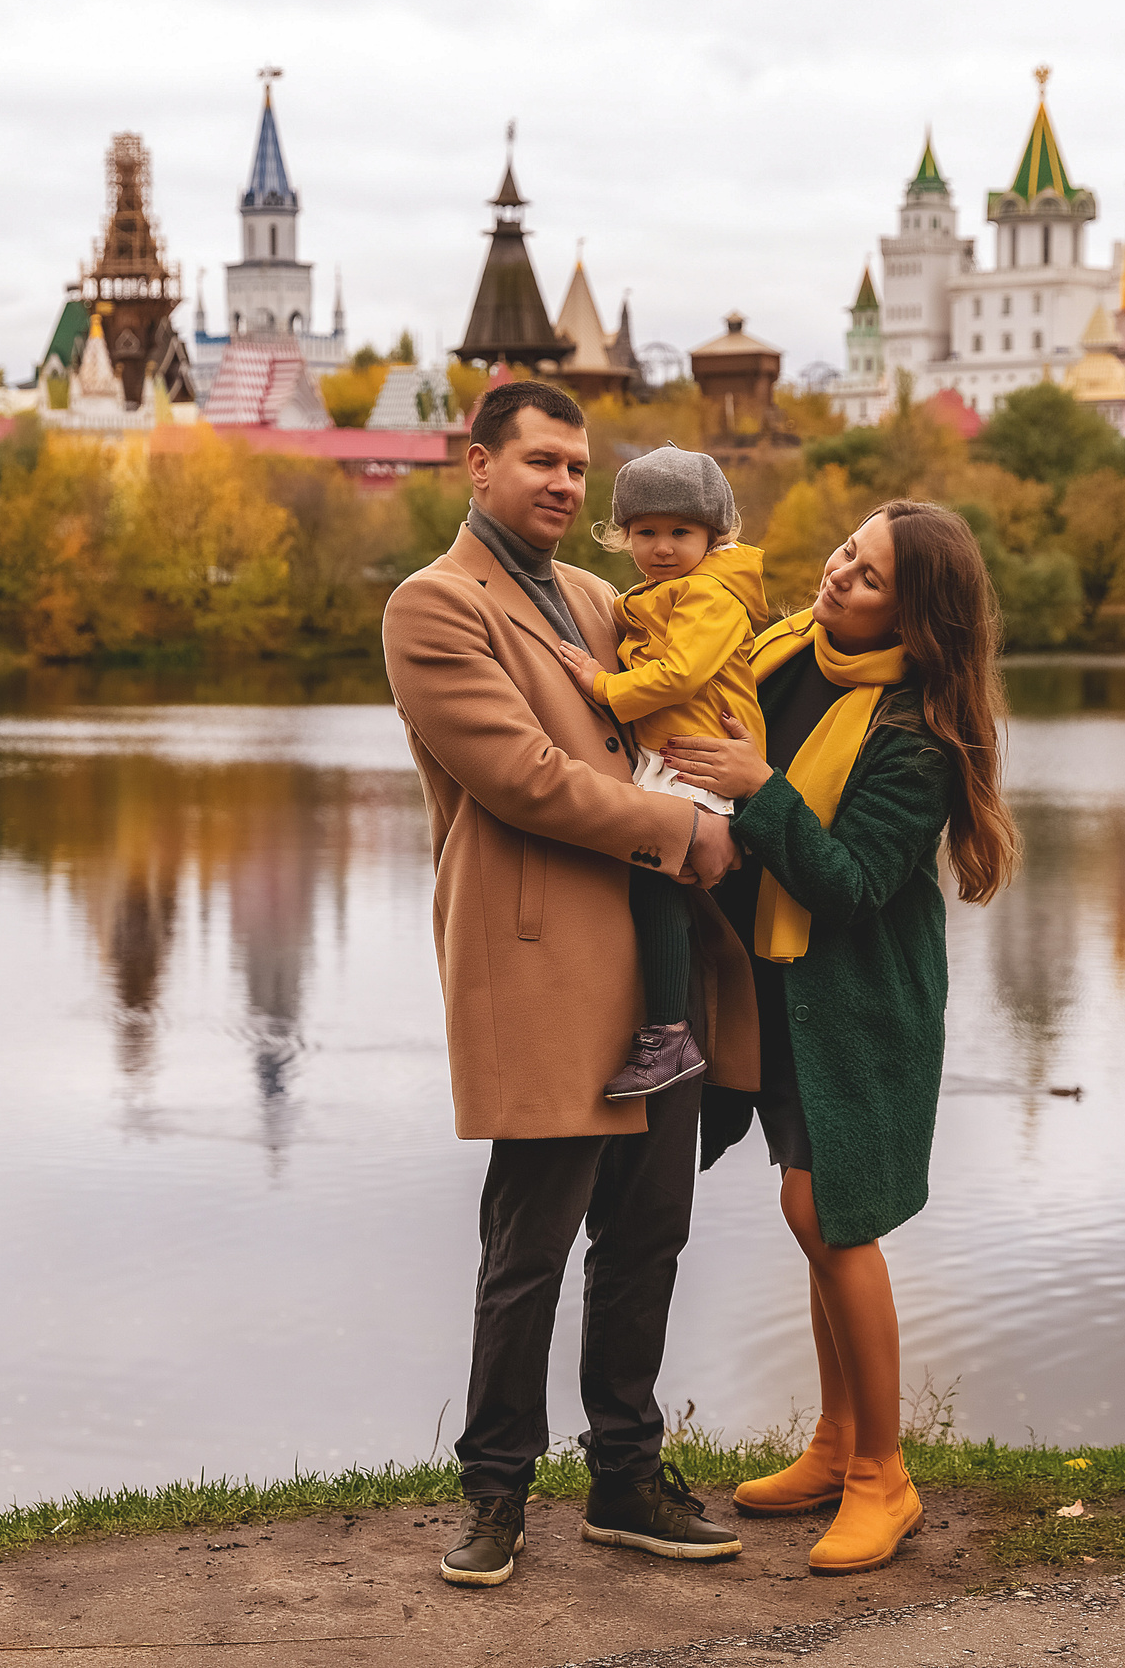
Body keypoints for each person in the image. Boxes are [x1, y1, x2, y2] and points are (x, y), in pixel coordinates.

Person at [380, 380, 759, 1589]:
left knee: (649, 1231)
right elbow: (525, 776)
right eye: (538, 460)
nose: (561, 484)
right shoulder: (435, 607)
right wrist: (682, 830)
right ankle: (493, 1493)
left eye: (575, 467)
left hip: (658, 964)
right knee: (527, 1244)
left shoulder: (604, 597)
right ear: (475, 465)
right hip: (543, 959)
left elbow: (696, 686)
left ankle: (625, 1480)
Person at [660, 499, 1020, 1577]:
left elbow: (854, 884)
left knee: (834, 1213)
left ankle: (883, 1477)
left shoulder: (918, 735)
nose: (837, 579)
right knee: (807, 1210)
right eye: (844, 555)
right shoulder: (776, 652)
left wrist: (760, 792)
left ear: (916, 621)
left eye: (867, 580)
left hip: (856, 999)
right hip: (769, 984)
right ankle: (832, 1445)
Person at [549, 445, 769, 1101]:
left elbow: (680, 676)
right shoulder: (658, 595)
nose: (663, 546)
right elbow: (634, 623)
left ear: (714, 535)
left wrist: (602, 688)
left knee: (655, 882)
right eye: (646, 532)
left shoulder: (712, 595)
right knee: (651, 882)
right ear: (623, 536)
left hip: (700, 761)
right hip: (670, 758)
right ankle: (664, 1020)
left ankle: (670, 1032)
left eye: (681, 532)